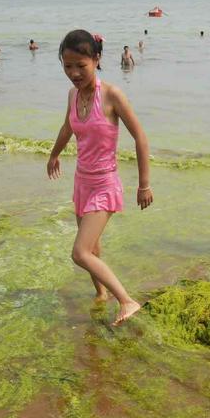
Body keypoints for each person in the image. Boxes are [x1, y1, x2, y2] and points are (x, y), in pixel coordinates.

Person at [47, 30, 153, 326]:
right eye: (67, 66)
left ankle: (127, 301)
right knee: (92, 247)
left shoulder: (111, 95)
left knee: (79, 252)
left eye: (81, 65)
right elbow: (68, 127)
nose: (74, 73)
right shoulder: (73, 95)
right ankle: (101, 294)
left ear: (96, 59)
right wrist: (54, 154)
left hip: (105, 184)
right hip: (82, 182)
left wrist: (144, 184)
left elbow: (140, 138)